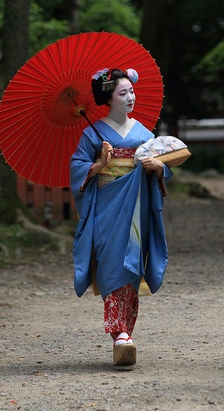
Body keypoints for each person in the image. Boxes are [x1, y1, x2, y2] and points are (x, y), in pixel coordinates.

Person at [70, 68, 172, 366]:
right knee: (111, 262)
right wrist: (101, 163)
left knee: (130, 263)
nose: (131, 97)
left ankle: (124, 334)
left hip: (136, 206)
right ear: (109, 98)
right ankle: (120, 334)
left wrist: (157, 167)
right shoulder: (92, 133)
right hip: (106, 206)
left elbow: (163, 166)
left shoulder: (144, 133)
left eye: (131, 91)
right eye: (123, 93)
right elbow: (77, 169)